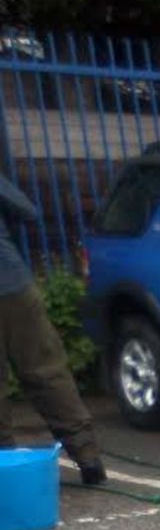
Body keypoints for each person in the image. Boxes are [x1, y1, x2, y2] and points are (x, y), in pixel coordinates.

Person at [0, 171, 104, 485]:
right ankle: (88, 459)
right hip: (16, 286)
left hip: (14, 285)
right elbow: (28, 211)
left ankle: (6, 469)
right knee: (47, 371)